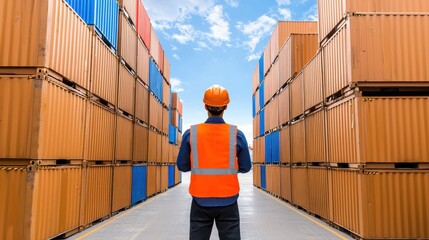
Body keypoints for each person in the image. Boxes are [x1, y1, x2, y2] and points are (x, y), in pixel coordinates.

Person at [177, 84, 252, 240]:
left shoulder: (192, 133)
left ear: (205, 106)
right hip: (229, 200)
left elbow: (182, 166)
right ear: (226, 106)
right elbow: (245, 167)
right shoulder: (236, 134)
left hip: (200, 200)